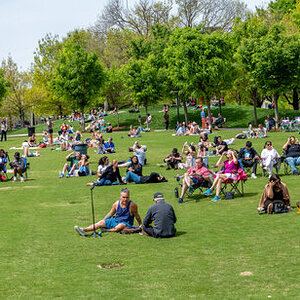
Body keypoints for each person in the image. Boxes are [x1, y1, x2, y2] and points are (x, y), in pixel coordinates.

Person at [74, 188, 142, 236]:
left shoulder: (132, 205)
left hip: (126, 223)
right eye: (123, 197)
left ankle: (106, 230)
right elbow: (110, 213)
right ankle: (83, 230)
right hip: (115, 220)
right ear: (120, 197)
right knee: (100, 223)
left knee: (120, 226)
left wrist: (141, 225)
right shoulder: (116, 204)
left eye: (127, 197)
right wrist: (103, 220)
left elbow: (137, 216)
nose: (125, 199)